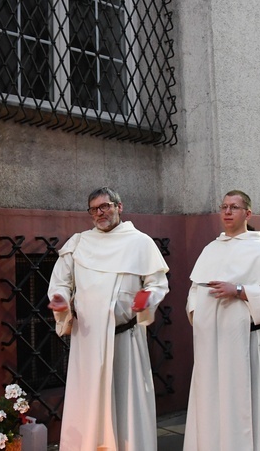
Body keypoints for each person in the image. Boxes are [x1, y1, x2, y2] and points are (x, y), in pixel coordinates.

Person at [47, 187, 169, 451]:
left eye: (105, 206)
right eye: (94, 209)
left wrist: (146, 298)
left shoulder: (140, 242)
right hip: (88, 339)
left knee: (127, 401)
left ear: (119, 207)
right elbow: (61, 282)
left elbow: (157, 283)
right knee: (89, 402)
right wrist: (61, 300)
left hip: (125, 338)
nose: (99, 213)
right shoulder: (79, 243)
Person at [184, 190, 260, 451]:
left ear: (247, 213)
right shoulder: (211, 249)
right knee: (211, 404)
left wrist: (240, 291)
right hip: (212, 344)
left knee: (246, 405)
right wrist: (199, 316)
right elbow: (195, 290)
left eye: (234, 207)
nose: (228, 212)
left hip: (247, 344)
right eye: (224, 207)